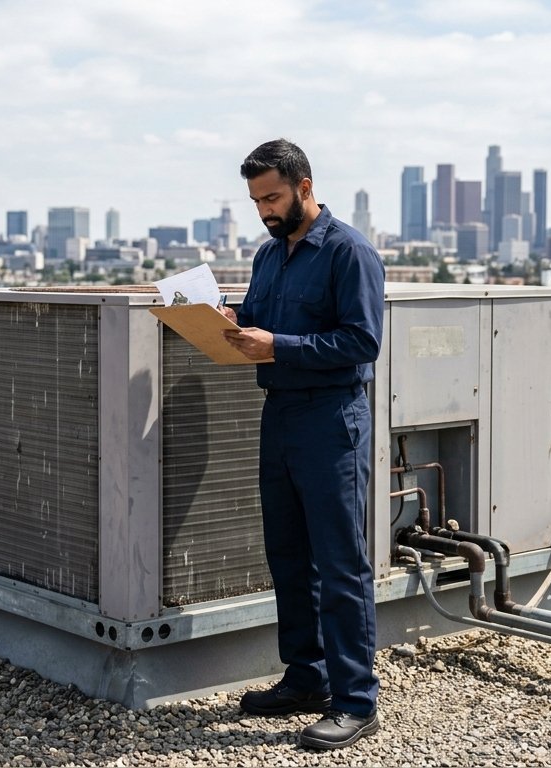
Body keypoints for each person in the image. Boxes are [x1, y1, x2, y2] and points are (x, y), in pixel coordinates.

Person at [220, 139, 386, 751]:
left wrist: (279, 347)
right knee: (288, 556)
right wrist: (218, 319)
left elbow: (362, 342)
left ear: (304, 186)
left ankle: (356, 700)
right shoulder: (269, 256)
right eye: (256, 200)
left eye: (273, 196)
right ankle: (307, 678)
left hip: (332, 419)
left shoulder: (350, 252)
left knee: (341, 562)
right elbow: (257, 319)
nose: (264, 209)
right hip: (281, 415)